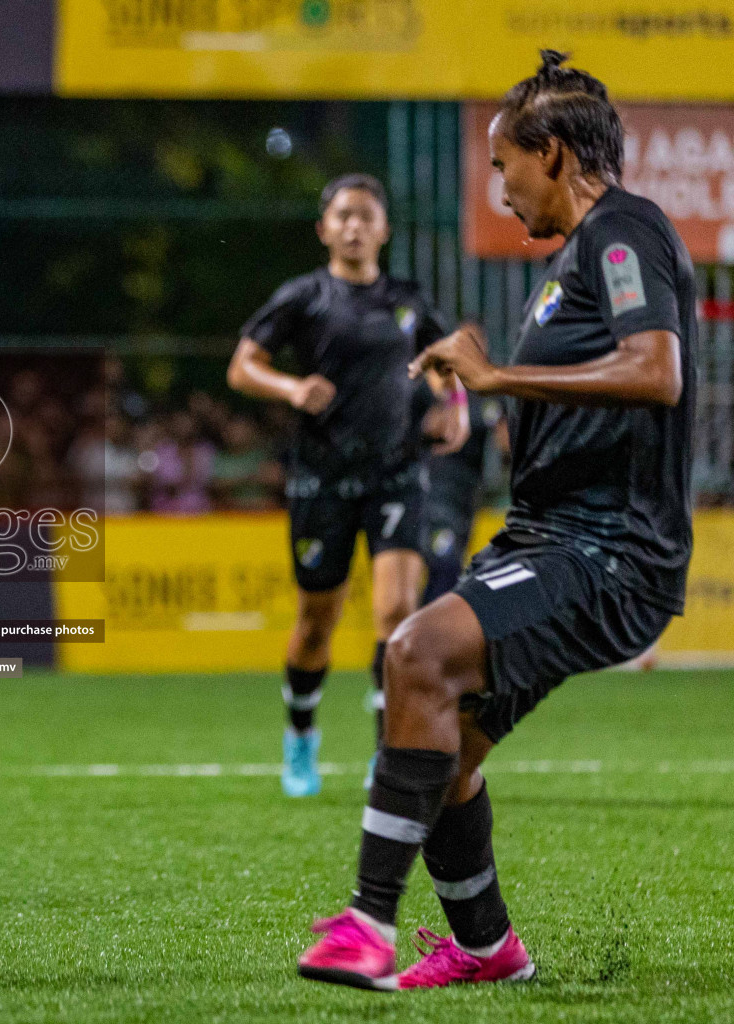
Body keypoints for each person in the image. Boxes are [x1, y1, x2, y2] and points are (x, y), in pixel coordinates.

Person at [297, 51, 695, 990]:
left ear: (553, 154)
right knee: (435, 735)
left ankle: (366, 925)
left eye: (504, 163)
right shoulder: (576, 258)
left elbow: (657, 371)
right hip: (553, 538)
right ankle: (486, 948)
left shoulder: (623, 229)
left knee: (412, 653)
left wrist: (499, 377)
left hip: (607, 550)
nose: (499, 185)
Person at [227, 173, 467, 798]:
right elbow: (242, 365)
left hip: (395, 472)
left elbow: (447, 361)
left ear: (384, 229)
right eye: (343, 216)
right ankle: (300, 735)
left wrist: (456, 406)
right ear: (324, 229)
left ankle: (387, 750)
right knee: (316, 622)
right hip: (322, 476)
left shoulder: (409, 300)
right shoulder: (304, 297)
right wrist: (289, 387)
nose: (355, 226)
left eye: (366, 216)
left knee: (395, 612)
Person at [421, 396, 504, 603]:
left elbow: (507, 440)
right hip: (432, 495)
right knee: (443, 569)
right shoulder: (434, 383)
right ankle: (424, 633)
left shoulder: (493, 389)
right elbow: (430, 423)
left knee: (453, 570)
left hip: (466, 501)